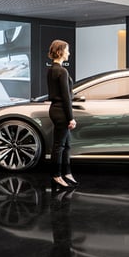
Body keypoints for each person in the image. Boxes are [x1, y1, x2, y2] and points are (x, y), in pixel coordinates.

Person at [47, 40, 78, 189]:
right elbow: (66, 97)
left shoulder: (52, 69)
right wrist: (71, 118)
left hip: (55, 109)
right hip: (61, 111)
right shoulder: (62, 71)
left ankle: (67, 173)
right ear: (60, 51)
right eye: (67, 50)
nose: (69, 53)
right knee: (60, 146)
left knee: (66, 145)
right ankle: (57, 176)